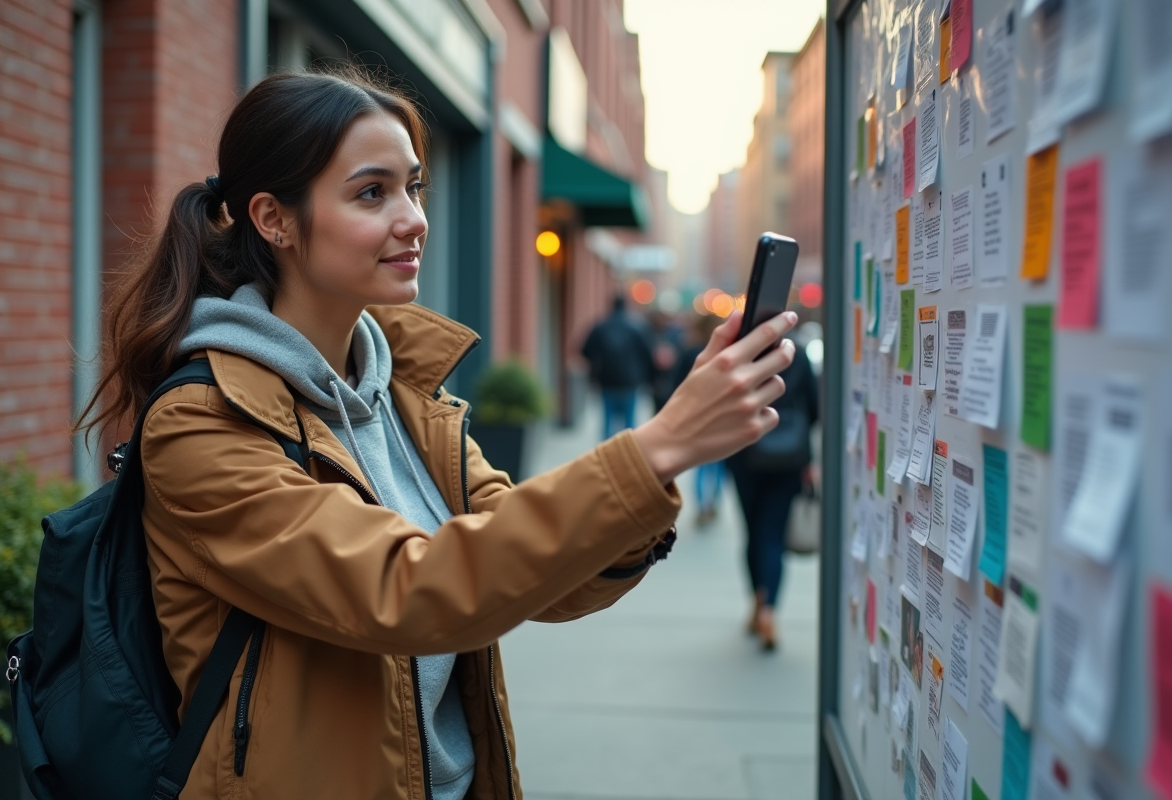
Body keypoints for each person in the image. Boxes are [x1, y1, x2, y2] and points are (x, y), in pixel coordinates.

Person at [78, 68, 799, 800]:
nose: (414, 218)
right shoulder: (200, 422)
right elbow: (411, 589)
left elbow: (536, 577)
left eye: (413, 187)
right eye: (372, 192)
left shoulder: (402, 394)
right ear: (274, 219)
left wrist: (664, 464)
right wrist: (659, 445)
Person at [726, 331, 819, 650]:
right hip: (788, 458)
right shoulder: (798, 352)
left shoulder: (739, 350)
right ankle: (769, 610)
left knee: (753, 532)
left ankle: (757, 599)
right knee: (773, 535)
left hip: (745, 454)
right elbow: (815, 407)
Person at [673, 313, 727, 526]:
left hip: (698, 414)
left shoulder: (691, 352)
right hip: (722, 414)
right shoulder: (726, 352)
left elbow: (678, 384)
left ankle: (702, 505)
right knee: (719, 465)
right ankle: (714, 502)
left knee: (701, 465)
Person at [581, 295, 655, 439]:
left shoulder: (601, 326)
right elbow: (648, 353)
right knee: (629, 424)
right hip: (630, 381)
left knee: (607, 422)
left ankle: (605, 457)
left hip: (607, 380)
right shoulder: (636, 327)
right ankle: (628, 457)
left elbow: (585, 351)